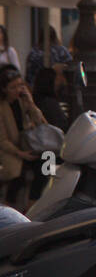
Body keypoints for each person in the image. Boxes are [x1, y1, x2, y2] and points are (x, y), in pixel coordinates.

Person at [0, 73, 46, 209]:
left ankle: (34, 202)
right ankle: (9, 204)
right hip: (11, 150)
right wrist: (21, 154)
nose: (18, 90)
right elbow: (2, 140)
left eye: (20, 86)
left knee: (47, 161)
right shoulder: (2, 107)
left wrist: (30, 103)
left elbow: (41, 123)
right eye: (13, 87)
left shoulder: (22, 102)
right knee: (19, 172)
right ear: (4, 89)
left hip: (28, 145)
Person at [30, 68, 69, 133]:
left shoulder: (36, 99)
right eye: (56, 79)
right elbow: (62, 125)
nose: (59, 82)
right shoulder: (50, 103)